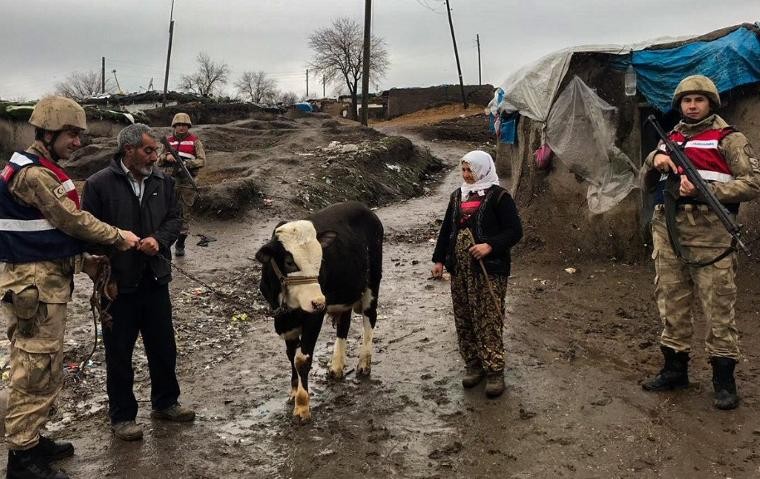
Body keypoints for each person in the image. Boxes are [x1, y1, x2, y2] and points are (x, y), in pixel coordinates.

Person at [0, 96, 140, 479]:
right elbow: (72, 221)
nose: (77, 142)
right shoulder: (34, 176)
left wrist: (84, 262)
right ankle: (22, 458)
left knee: (46, 365)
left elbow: (45, 236)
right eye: (71, 134)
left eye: (79, 135)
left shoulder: (42, 168)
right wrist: (117, 236)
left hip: (43, 283)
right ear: (47, 132)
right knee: (34, 367)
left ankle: (32, 438)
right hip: (35, 289)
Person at [640, 75, 760, 410]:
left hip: (711, 235)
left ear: (711, 103)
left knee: (718, 307)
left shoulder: (729, 139)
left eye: (699, 100)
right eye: (686, 100)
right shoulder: (671, 138)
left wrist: (708, 190)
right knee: (671, 301)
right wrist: (655, 160)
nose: (692, 106)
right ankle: (674, 369)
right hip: (670, 234)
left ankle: (724, 379)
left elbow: (752, 183)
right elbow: (645, 181)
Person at [82, 123, 195, 442]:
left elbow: (175, 219)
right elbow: (87, 230)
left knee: (163, 347)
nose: (155, 157)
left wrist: (158, 241)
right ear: (127, 151)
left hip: (155, 279)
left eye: (156, 150)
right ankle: (122, 417)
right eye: (149, 150)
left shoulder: (163, 181)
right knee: (119, 354)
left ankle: (166, 403)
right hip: (116, 285)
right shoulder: (98, 185)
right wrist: (117, 245)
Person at [431, 150, 523, 398]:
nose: (466, 174)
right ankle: (473, 366)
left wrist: (489, 245)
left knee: (487, 317)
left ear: (482, 169)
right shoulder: (457, 196)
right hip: (460, 270)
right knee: (464, 317)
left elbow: (515, 231)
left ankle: (494, 370)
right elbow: (446, 229)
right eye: (463, 170)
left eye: (470, 170)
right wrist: (439, 259)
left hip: (488, 270)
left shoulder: (499, 197)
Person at [157, 112, 206, 257]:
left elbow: (202, 160)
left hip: (186, 182)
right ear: (174, 126)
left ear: (188, 126)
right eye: (179, 125)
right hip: (169, 182)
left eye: (184, 125)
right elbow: (158, 160)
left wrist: (186, 163)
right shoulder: (168, 141)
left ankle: (180, 243)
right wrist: (167, 156)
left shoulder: (194, 141)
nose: (181, 128)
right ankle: (163, 242)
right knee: (165, 212)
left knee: (184, 213)